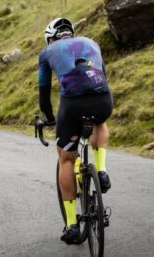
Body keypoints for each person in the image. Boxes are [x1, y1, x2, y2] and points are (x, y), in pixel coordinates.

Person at [37, 17, 113, 244]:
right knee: (100, 122)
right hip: (102, 99)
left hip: (72, 105)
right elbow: (102, 76)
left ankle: (72, 225)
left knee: (66, 159)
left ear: (50, 39)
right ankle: (102, 171)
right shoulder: (91, 42)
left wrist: (50, 118)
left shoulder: (47, 52)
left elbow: (44, 94)